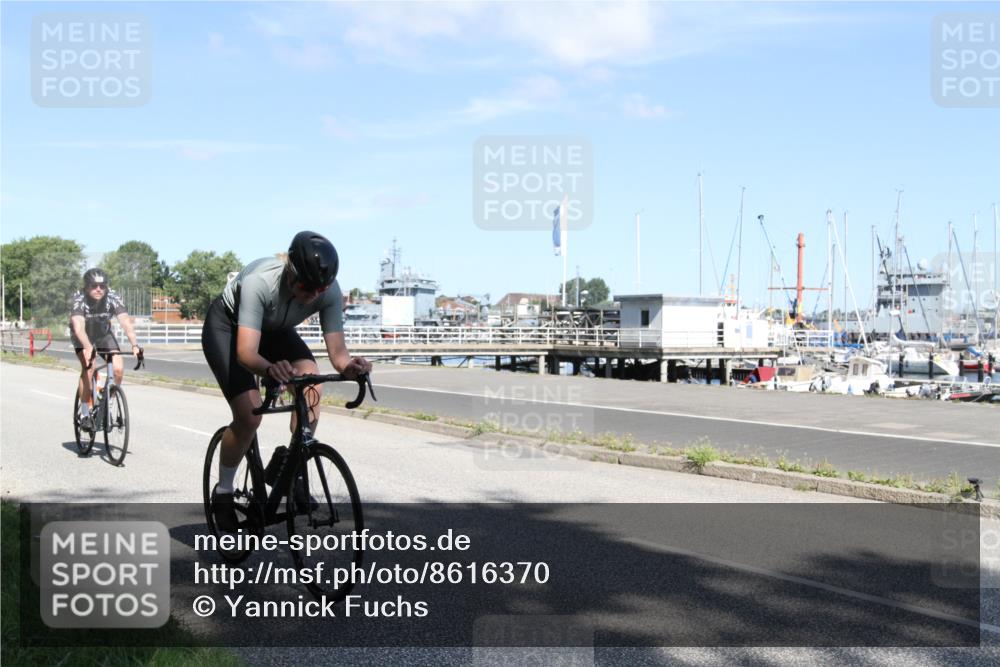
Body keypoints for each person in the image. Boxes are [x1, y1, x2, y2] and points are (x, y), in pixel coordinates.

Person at [202, 231, 371, 532]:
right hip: (228, 329)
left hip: (274, 329)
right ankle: (224, 493)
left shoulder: (327, 292)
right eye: (306, 287)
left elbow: (339, 355)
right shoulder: (260, 283)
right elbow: (246, 353)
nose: (312, 295)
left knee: (311, 380)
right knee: (249, 416)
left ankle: (293, 462)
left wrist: (351, 368)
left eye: (319, 290)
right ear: (290, 271)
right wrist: (270, 369)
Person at [70, 268, 142, 431]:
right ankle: (84, 413)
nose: (98, 289)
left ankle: (106, 402)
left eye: (102, 286)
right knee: (90, 367)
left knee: (118, 368)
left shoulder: (113, 297)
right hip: (82, 335)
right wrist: (88, 347)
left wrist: (135, 345)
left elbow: (125, 323)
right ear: (87, 287)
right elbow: (78, 327)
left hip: (103, 334)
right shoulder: (78, 299)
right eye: (94, 286)